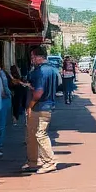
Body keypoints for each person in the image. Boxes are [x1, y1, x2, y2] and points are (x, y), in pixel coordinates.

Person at [24, 45, 61, 174]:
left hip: (40, 107)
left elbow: (39, 92)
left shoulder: (40, 72)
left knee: (40, 134)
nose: (32, 60)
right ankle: (33, 161)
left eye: (33, 57)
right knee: (32, 135)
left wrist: (30, 105)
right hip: (48, 105)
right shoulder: (52, 69)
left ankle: (49, 162)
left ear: (39, 57)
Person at [0, 57, 12, 153]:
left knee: (0, 123)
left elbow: (3, 88)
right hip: (2, 99)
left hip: (2, 99)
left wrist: (5, 94)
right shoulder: (0, 72)